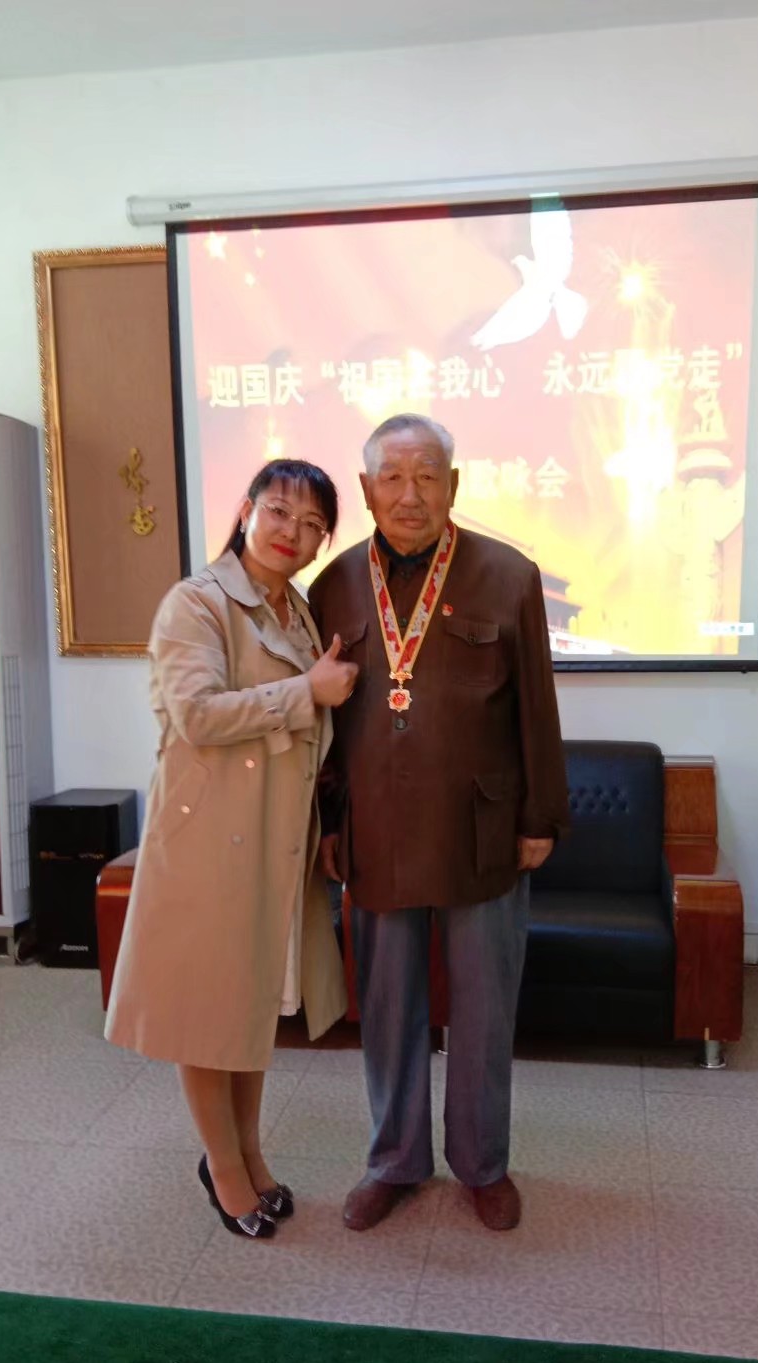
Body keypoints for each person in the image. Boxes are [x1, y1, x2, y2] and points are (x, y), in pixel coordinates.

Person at [308, 414, 568, 1233]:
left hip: (481, 829)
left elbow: (537, 707)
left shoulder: (509, 575)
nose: (409, 494)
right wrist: (327, 823)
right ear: (366, 490)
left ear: (452, 486)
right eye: (392, 478)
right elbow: (323, 728)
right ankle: (394, 1161)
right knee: (386, 1008)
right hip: (375, 828)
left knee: (485, 1011)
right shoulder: (333, 586)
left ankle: (483, 1165)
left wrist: (540, 816)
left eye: (427, 477)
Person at [105, 459, 357, 1238]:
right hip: (211, 838)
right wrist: (306, 693)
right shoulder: (197, 601)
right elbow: (198, 714)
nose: (292, 533)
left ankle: (249, 1153)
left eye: (312, 525)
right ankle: (222, 1167)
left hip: (276, 840)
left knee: (250, 1008)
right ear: (246, 510)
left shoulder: (299, 611)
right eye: (280, 512)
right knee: (208, 1012)